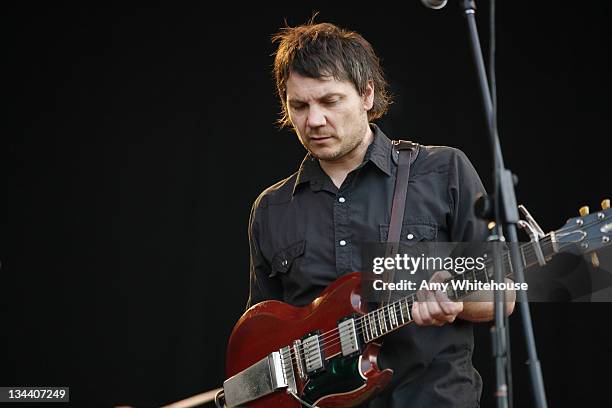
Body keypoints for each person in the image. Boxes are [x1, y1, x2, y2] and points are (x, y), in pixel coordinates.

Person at [246, 20, 515, 408]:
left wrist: (456, 301)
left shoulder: (442, 171)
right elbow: (261, 337)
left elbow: (502, 296)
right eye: (299, 105)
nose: (314, 120)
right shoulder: (270, 209)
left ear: (367, 94)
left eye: (330, 101)